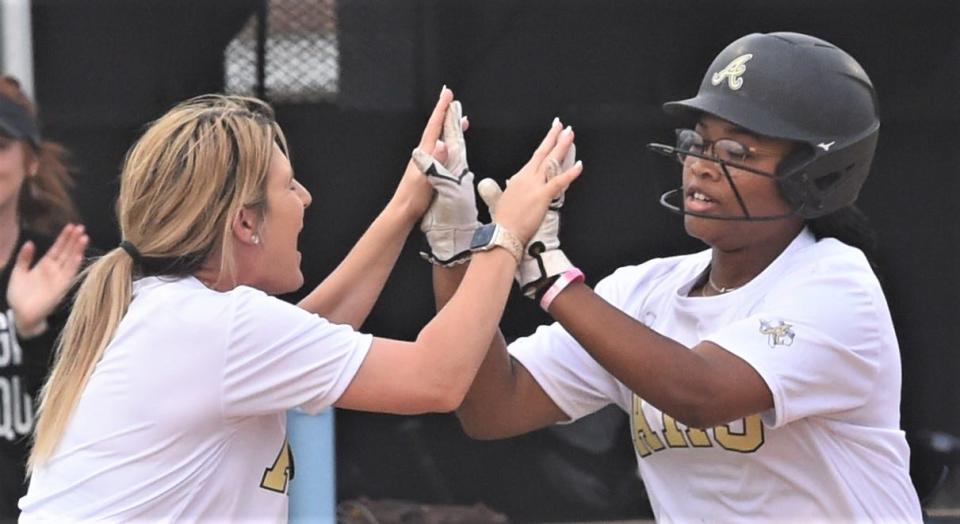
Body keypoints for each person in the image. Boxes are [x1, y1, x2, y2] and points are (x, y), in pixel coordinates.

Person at [18, 88, 582, 520]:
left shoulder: (172, 307)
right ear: (244, 222)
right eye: (290, 186)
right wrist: (505, 234)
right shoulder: (219, 324)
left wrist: (408, 204)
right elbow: (437, 380)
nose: (307, 199)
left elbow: (310, 332)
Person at [440, 33, 924, 521]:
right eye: (697, 142)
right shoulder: (642, 291)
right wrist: (454, 252)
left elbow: (701, 394)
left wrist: (548, 274)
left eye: (737, 150)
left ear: (818, 173)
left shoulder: (836, 284)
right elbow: (492, 407)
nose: (700, 166)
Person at [0, 75, 89, 519]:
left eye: (0, 145)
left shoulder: (59, 271)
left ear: (31, 161)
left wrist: (33, 328)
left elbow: (80, 420)